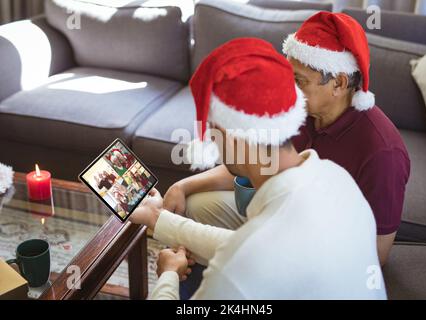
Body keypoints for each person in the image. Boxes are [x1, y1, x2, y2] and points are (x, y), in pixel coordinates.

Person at [130, 38, 386, 300]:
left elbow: (246, 257)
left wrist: (168, 275)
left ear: (229, 134)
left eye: (212, 129)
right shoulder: (336, 178)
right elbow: (247, 247)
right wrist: (157, 218)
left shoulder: (238, 273)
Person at [163, 12, 410, 268]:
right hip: (276, 213)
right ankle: (188, 271)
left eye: (299, 80)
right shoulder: (301, 110)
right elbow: (251, 163)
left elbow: (377, 254)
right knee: (195, 205)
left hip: (317, 252)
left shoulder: (382, 152)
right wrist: (183, 186)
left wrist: (282, 254)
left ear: (338, 83)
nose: (289, 88)